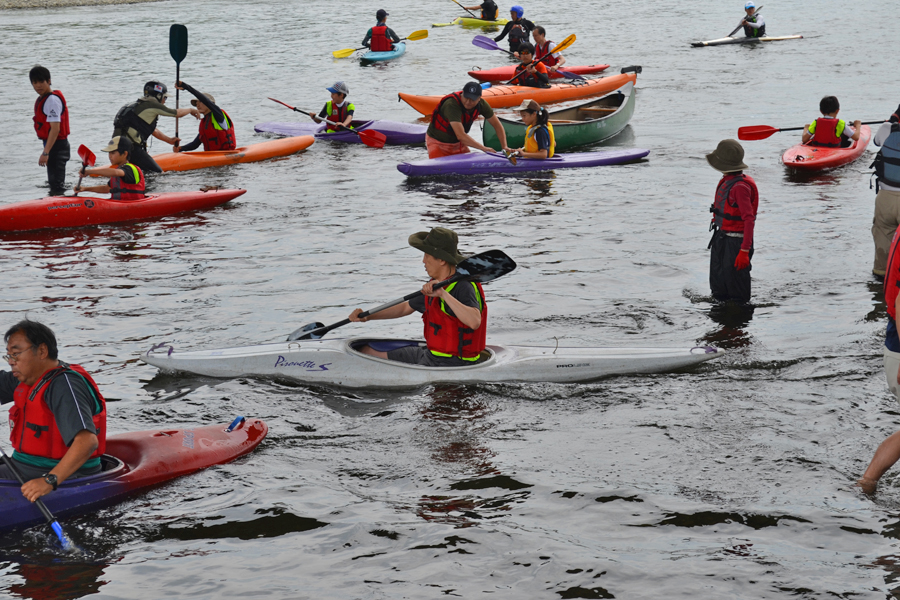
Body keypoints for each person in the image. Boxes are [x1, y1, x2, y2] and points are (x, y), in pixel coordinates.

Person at [0, 320, 106, 504]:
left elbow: (87, 441)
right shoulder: (26, 377)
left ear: (42, 351)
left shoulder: (64, 385)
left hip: (62, 475)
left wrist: (49, 480)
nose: (11, 362)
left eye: (16, 354)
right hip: (22, 466)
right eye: (8, 355)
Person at [348, 228, 487, 367]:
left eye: (427, 255)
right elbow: (404, 308)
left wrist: (443, 294)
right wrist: (367, 316)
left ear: (441, 260)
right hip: (431, 354)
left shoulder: (463, 286)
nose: (423, 261)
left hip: (453, 363)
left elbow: (474, 321)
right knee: (366, 351)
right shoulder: (436, 283)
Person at [706, 139, 759, 304]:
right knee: (718, 287)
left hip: (736, 243)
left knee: (737, 292)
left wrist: (744, 251)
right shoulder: (729, 180)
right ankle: (722, 323)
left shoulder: (740, 187)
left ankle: (738, 325)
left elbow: (749, 219)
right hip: (721, 237)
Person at [112, 80, 200, 174]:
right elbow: (176, 113)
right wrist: (191, 110)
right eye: (165, 97)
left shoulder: (134, 106)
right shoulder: (152, 105)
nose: (165, 101)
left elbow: (153, 130)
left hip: (115, 148)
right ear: (158, 96)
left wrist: (169, 140)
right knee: (159, 173)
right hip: (131, 149)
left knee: (141, 173)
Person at [425, 81, 511, 159]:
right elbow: (461, 135)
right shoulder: (451, 105)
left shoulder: (482, 104)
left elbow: (497, 126)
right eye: (466, 97)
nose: (468, 102)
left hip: (458, 143)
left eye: (472, 99)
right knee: (441, 172)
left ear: (479, 98)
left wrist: (504, 147)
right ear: (462, 94)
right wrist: (483, 148)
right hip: (438, 143)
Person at [29, 65, 70, 197]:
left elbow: (55, 129)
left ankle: (61, 205)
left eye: (41, 82)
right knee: (53, 182)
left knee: (56, 184)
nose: (38, 86)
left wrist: (45, 153)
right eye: (34, 82)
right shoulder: (43, 99)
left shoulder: (52, 100)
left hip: (58, 146)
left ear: (49, 81)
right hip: (51, 144)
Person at [871, 104, 900, 277]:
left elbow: (876, 142)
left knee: (883, 243)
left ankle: (880, 290)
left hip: (886, 198)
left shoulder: (886, 129)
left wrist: (890, 121)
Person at [74, 136, 145, 200]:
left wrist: (89, 171)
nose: (110, 156)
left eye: (113, 153)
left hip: (132, 204)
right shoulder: (118, 169)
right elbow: (106, 188)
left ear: (125, 154)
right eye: (109, 153)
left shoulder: (130, 169)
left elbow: (115, 172)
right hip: (118, 204)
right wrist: (84, 189)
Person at [173, 81, 236, 152]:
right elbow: (195, 144)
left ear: (209, 104)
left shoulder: (218, 114)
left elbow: (205, 100)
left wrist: (185, 86)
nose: (197, 105)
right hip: (211, 156)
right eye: (196, 103)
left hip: (226, 153)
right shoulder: (204, 123)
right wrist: (180, 148)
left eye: (200, 102)